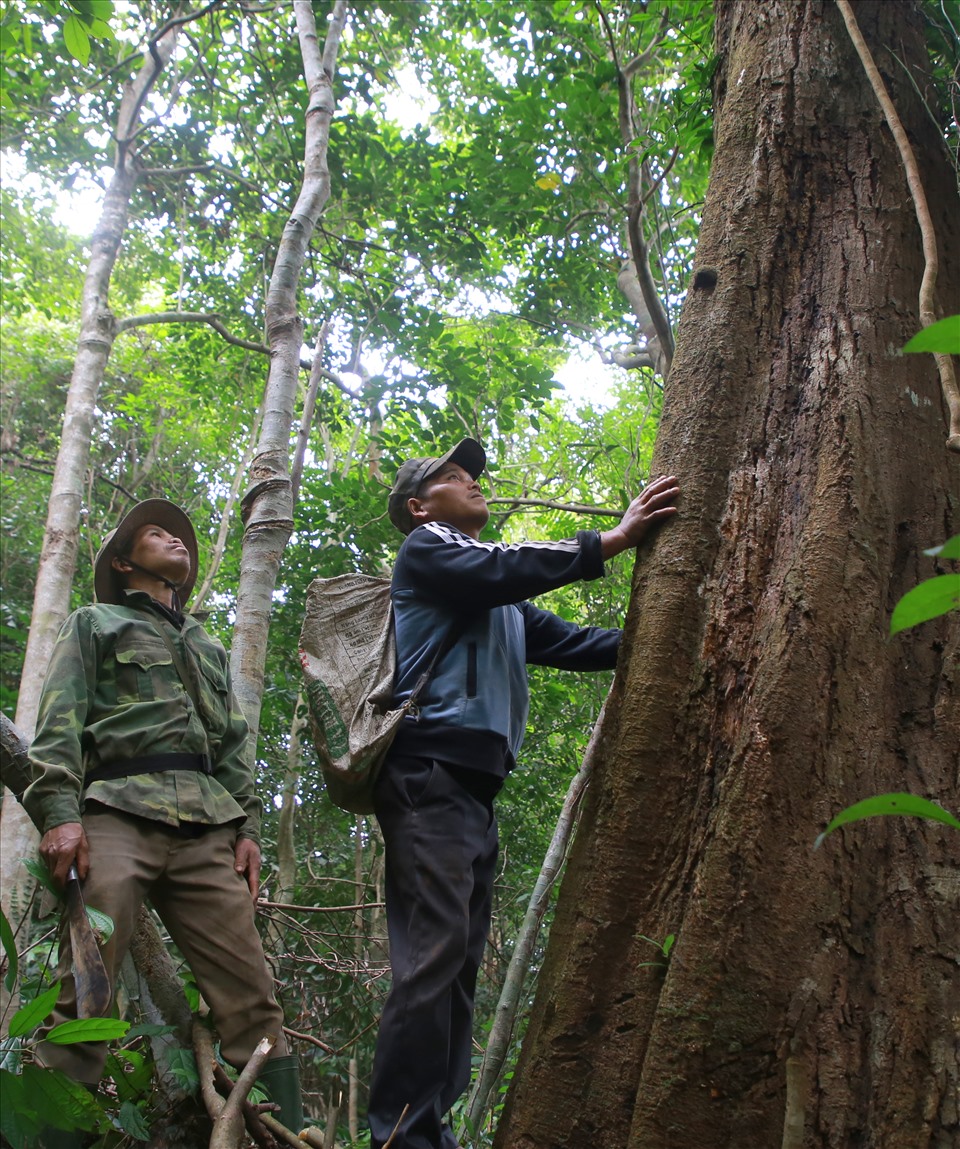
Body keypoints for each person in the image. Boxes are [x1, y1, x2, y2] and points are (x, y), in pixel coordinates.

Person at [368, 439, 680, 1149]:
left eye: (473, 475)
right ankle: (401, 1137)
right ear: (420, 507)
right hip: (429, 773)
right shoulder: (429, 552)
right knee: (431, 959)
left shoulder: (496, 598)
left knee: (458, 966)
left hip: (470, 789)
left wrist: (669, 625)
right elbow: (509, 565)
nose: (473, 482)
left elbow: (576, 641)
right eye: (454, 478)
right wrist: (613, 540)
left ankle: (430, 1128)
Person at [22, 499, 303, 1148]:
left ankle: (286, 1131)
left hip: (207, 830)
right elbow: (58, 724)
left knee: (253, 996)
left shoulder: (203, 642)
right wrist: (60, 814)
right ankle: (51, 1135)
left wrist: (249, 828)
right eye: (156, 533)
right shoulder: (96, 622)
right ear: (124, 563)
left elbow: (232, 743)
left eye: (181, 535)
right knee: (87, 990)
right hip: (118, 814)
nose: (176, 537)